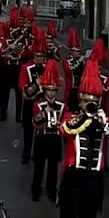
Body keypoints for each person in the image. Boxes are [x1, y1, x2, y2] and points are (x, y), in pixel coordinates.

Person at [56, 60, 109, 218]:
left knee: (89, 217)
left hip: (94, 177)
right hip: (74, 173)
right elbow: (64, 130)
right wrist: (84, 117)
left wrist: (103, 122)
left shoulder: (103, 120)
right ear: (80, 100)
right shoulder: (72, 116)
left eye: (93, 101)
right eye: (86, 101)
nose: (89, 104)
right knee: (68, 216)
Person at [29, 60, 66, 203]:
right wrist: (43, 116)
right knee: (38, 167)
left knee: (53, 168)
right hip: (42, 138)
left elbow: (64, 123)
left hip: (55, 139)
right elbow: (35, 123)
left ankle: (52, 191)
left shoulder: (62, 106)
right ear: (44, 90)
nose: (51, 93)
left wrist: (61, 125)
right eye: (48, 90)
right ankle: (36, 191)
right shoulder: (38, 104)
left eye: (53, 90)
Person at [16, 31, 48, 165]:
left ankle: (37, 154)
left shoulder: (47, 68)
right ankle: (26, 154)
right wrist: (35, 85)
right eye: (37, 56)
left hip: (43, 103)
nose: (39, 58)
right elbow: (22, 86)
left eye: (41, 56)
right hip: (30, 102)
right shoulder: (26, 67)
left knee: (42, 131)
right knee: (28, 130)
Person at [63, 28, 85, 112]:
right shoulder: (66, 61)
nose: (78, 53)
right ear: (71, 51)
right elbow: (69, 69)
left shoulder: (82, 61)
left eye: (79, 51)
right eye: (75, 51)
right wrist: (79, 61)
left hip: (80, 90)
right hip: (71, 89)